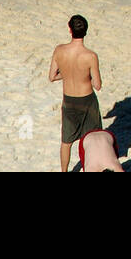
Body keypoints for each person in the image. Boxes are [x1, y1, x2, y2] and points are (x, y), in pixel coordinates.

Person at [48, 14, 103, 173]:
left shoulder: (59, 50)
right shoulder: (90, 56)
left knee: (66, 141)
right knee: (91, 139)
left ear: (70, 30)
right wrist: (86, 76)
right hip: (87, 100)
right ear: (86, 31)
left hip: (69, 100)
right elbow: (97, 85)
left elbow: (52, 77)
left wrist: (68, 73)